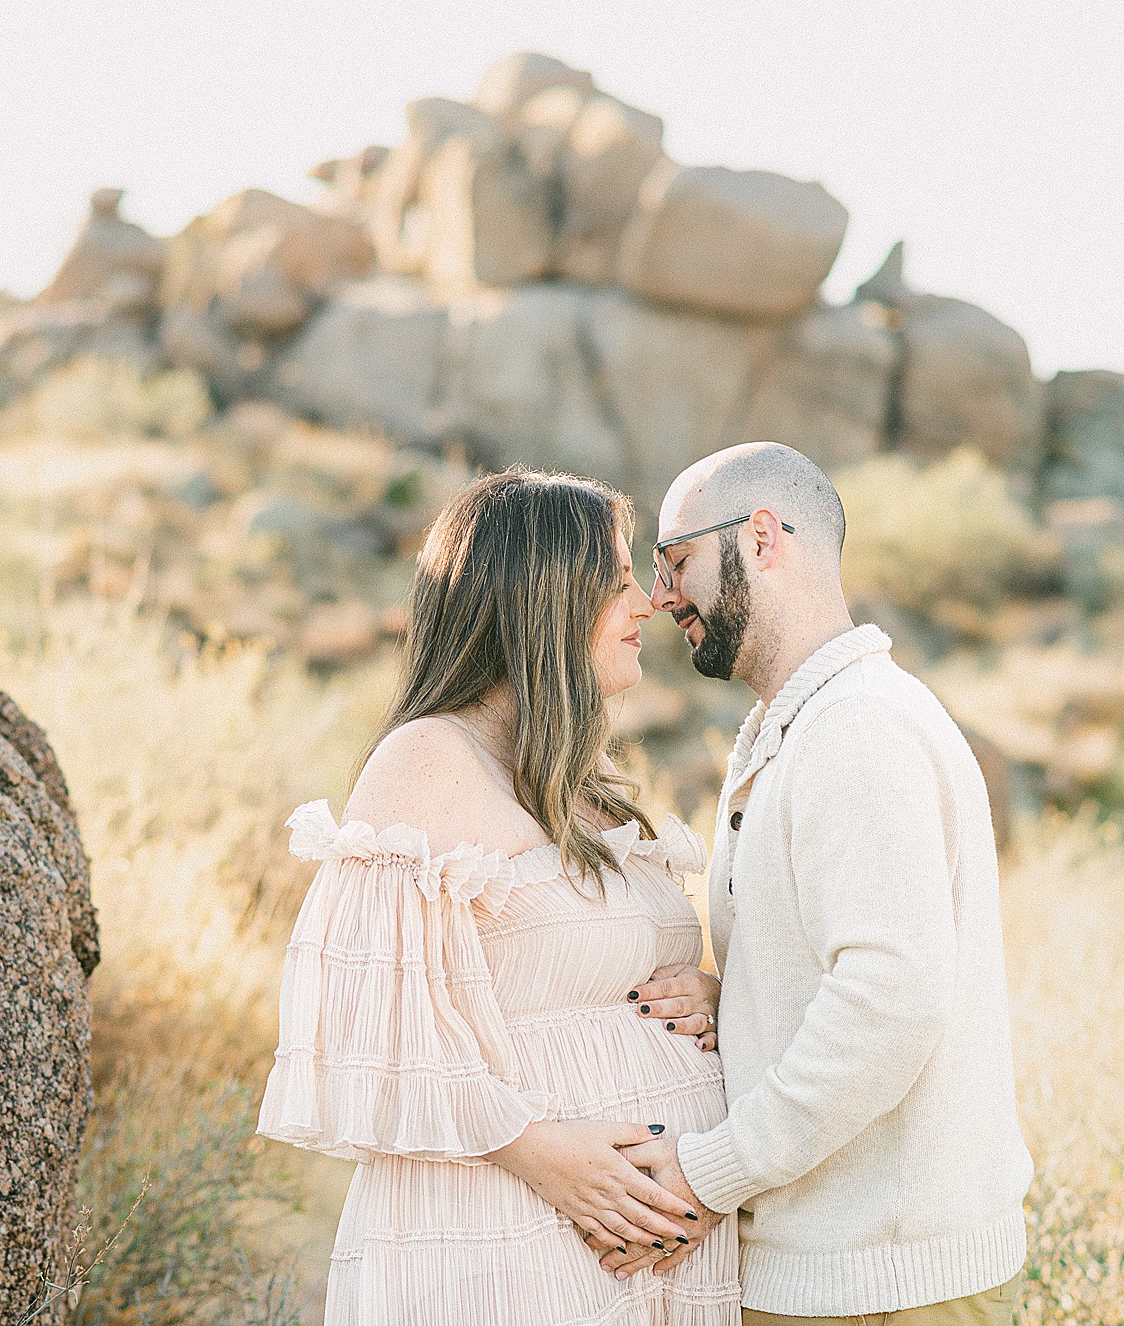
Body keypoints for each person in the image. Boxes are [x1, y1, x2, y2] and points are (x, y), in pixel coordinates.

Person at [255, 470, 740, 1324]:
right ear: (543, 596)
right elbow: (368, 1024)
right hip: (504, 1240)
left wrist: (709, 997)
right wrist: (548, 1155)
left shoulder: (576, 781)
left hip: (633, 1256)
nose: (646, 601)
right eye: (616, 576)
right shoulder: (428, 760)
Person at [612, 443, 1034, 1324]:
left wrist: (707, 1171)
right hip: (855, 1271)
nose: (660, 597)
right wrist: (741, 1003)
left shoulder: (857, 730)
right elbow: (857, 967)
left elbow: (891, 998)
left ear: (761, 538)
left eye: (677, 559)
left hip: (883, 1286)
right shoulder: (798, 728)